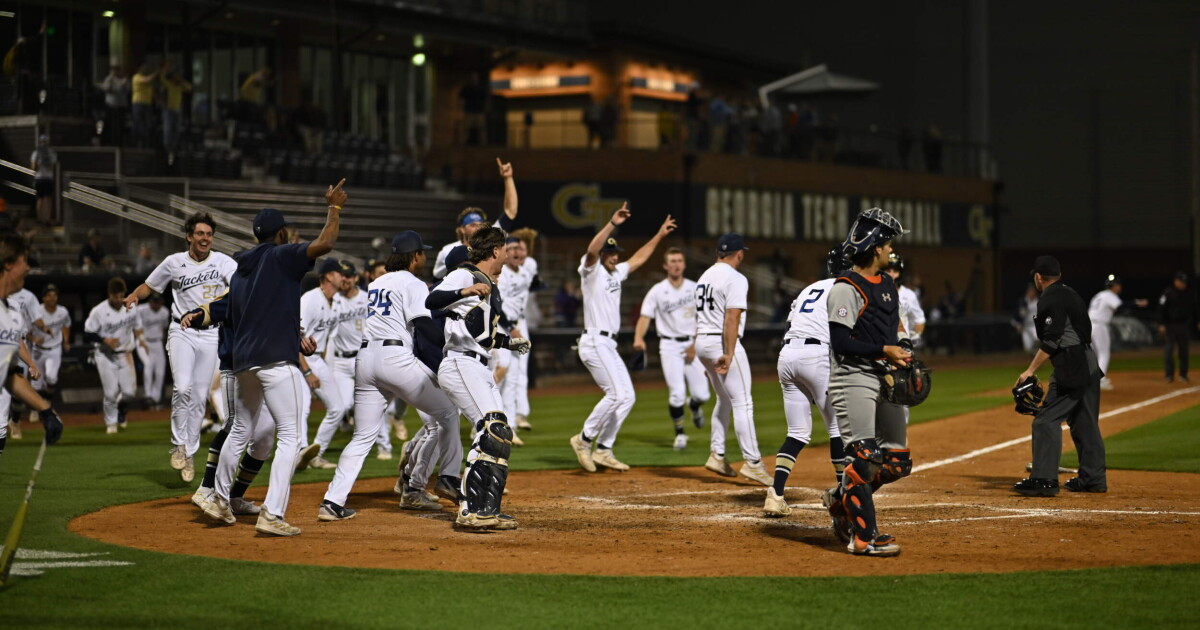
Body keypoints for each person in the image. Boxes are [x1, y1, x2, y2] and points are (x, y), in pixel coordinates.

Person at [226, 180, 347, 536]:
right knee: (291, 438)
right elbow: (325, 243)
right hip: (276, 360)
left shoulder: (241, 270)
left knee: (241, 431)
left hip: (244, 359)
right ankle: (272, 513)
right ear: (280, 234)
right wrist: (334, 208)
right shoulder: (280, 254)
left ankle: (216, 495)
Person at [322, 231, 462, 519]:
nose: (424, 257)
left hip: (366, 358)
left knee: (362, 437)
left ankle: (332, 502)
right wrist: (451, 344)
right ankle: (447, 478)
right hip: (395, 357)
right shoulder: (412, 282)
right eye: (422, 253)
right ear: (413, 257)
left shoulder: (377, 282)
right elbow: (422, 323)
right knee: (448, 413)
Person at [819, 208, 913, 557]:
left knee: (896, 462)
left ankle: (840, 496)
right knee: (866, 457)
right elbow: (842, 343)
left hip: (882, 375)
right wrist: (884, 349)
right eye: (888, 244)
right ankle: (864, 538)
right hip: (852, 376)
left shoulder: (887, 285)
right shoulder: (846, 287)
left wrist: (903, 353)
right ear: (876, 248)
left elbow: (890, 332)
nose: (891, 250)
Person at [426, 227, 532, 530]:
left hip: (479, 364)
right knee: (491, 428)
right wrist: (464, 291)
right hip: (460, 363)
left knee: (501, 433)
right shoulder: (465, 274)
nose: (509, 254)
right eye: (506, 248)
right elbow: (432, 300)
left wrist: (507, 342)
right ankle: (469, 508)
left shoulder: (489, 284)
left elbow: (478, 332)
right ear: (496, 250)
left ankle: (488, 507)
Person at [125, 212, 236, 483]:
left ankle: (189, 452)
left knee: (199, 396)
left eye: (209, 234)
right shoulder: (174, 262)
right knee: (183, 387)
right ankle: (178, 443)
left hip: (211, 334)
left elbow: (241, 286)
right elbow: (149, 286)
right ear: (189, 236)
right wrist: (133, 296)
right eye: (200, 233)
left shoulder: (223, 262)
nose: (205, 238)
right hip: (181, 331)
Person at [568, 204, 676, 473]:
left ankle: (604, 449)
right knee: (615, 393)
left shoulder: (616, 272)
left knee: (627, 396)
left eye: (615, 253)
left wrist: (660, 235)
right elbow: (592, 250)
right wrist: (612, 224)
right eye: (610, 252)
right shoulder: (592, 271)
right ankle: (583, 440)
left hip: (609, 343)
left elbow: (639, 259)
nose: (614, 257)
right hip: (594, 341)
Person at [764, 248, 850, 517]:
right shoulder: (844, 289)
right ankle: (844, 497)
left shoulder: (809, 289)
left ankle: (775, 495)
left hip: (787, 356)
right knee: (836, 429)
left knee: (797, 433)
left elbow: (794, 323)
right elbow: (843, 332)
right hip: (816, 356)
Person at [1013, 255, 1107, 496]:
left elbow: (1052, 340)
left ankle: (1044, 479)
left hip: (1072, 365)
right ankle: (1093, 479)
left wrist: (1030, 370)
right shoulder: (1069, 292)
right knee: (1085, 423)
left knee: (1045, 420)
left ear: (1038, 277)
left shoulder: (1050, 297)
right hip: (1088, 362)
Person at [693, 233, 770, 485]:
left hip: (703, 340)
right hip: (720, 341)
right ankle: (754, 462)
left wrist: (705, 355)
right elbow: (732, 317)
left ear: (718, 253)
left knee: (724, 399)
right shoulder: (736, 278)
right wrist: (728, 352)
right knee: (743, 402)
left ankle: (717, 454)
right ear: (740, 254)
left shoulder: (704, 276)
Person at [632, 247, 709, 450]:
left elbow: (706, 319)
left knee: (703, 395)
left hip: (692, 343)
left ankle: (694, 405)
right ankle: (680, 434)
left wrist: (695, 343)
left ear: (684, 264)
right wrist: (639, 338)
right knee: (676, 394)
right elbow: (645, 316)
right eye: (672, 261)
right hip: (669, 345)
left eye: (679, 260)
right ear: (665, 265)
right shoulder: (657, 290)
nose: (676, 264)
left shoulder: (695, 288)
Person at [0, 233, 64, 455]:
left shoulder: (14, 314)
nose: (28, 268)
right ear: (8, 264)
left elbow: (8, 374)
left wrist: (44, 409)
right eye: (24, 261)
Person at [296, 258, 348, 470]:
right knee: (302, 409)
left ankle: (315, 454)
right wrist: (307, 371)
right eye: (339, 273)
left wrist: (323, 368)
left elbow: (326, 341)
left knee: (338, 407)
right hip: (300, 357)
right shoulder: (310, 299)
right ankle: (300, 452)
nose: (343, 277)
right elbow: (294, 337)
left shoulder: (335, 302)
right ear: (328, 276)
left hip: (318, 358)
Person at [432, 158, 518, 279]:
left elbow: (510, 211)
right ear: (462, 229)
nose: (477, 228)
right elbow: (437, 279)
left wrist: (508, 178)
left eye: (480, 224)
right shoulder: (448, 251)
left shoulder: (490, 240)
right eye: (472, 225)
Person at [84, 277, 147, 434]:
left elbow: (138, 326)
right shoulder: (99, 311)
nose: (119, 299)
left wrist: (142, 340)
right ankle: (111, 423)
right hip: (105, 354)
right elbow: (88, 333)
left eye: (121, 295)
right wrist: (105, 340)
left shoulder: (131, 306)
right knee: (111, 392)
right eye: (116, 296)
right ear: (109, 294)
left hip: (125, 353)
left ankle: (121, 410)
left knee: (129, 393)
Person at [497, 236, 541, 438]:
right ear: (505, 252)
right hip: (500, 326)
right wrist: (511, 327)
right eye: (511, 248)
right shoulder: (502, 274)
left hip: (515, 324)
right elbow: (497, 304)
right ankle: (480, 417)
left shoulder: (524, 273)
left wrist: (517, 326)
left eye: (518, 248)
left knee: (513, 377)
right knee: (500, 373)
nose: (515, 252)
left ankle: (510, 425)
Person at [1088, 274, 1148, 391]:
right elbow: (1121, 306)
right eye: (1118, 285)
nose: (1119, 287)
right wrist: (1137, 303)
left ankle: (1092, 378)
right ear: (1114, 286)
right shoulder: (1110, 295)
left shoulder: (1099, 295)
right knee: (1104, 353)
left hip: (1089, 325)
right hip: (1099, 325)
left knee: (1094, 354)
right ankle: (1100, 380)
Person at [29, 284, 70, 404]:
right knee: (36, 383)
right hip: (38, 350)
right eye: (49, 295)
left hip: (55, 349)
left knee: (52, 378)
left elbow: (66, 325)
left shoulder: (63, 311)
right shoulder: (36, 312)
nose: (52, 298)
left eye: (55, 295)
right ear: (43, 298)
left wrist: (66, 340)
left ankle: (47, 401)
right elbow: (24, 332)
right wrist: (34, 340)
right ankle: (37, 407)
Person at [1159, 271, 1199, 384]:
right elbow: (1161, 309)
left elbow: (1195, 308)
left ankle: (1183, 375)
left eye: (1184, 282)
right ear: (1175, 281)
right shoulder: (1168, 293)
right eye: (1181, 281)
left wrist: (1197, 321)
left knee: (1184, 351)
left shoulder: (1190, 293)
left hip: (1184, 325)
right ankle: (1169, 375)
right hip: (1170, 325)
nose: (1183, 284)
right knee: (1169, 351)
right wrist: (1161, 323)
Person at [884, 253, 926, 348]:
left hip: (901, 346)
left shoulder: (909, 295)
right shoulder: (875, 291)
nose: (891, 274)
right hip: (880, 346)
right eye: (888, 270)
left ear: (900, 274)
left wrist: (913, 342)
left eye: (895, 271)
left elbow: (919, 319)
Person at [136, 292, 170, 407]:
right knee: (148, 365)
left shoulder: (164, 311)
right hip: (143, 342)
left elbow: (165, 328)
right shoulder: (141, 309)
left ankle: (155, 399)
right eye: (154, 302)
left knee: (160, 371)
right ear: (150, 301)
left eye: (158, 302)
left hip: (157, 342)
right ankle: (148, 395)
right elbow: (134, 325)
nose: (156, 304)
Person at [160, 62, 192, 156]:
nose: (176, 77)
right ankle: (167, 149)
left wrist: (181, 81)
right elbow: (162, 78)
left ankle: (174, 149)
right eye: (175, 76)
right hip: (168, 110)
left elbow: (189, 88)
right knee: (168, 130)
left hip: (177, 110)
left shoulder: (180, 86)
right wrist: (165, 68)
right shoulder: (169, 84)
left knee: (176, 130)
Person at [98, 65, 130, 147]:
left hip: (121, 106)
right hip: (111, 106)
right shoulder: (109, 79)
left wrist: (124, 84)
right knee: (108, 124)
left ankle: (119, 142)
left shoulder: (124, 79)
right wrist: (112, 80)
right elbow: (106, 88)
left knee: (120, 125)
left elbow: (127, 90)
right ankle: (105, 141)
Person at [131, 63, 159, 148]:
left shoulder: (147, 80)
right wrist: (157, 73)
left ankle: (145, 144)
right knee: (138, 123)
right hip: (138, 103)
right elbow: (146, 80)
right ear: (139, 68)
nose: (145, 69)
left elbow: (151, 91)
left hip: (147, 104)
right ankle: (135, 143)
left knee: (147, 124)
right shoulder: (136, 77)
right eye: (143, 67)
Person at [30, 134, 56, 223]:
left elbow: (33, 167)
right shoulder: (51, 152)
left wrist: (39, 164)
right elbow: (52, 166)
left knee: (40, 199)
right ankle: (47, 219)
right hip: (48, 178)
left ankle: (39, 218)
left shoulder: (36, 153)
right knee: (48, 200)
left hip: (39, 178)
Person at [1014, 284, 1039, 353]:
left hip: (1035, 325)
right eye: (1029, 291)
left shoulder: (1039, 301)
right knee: (1028, 348)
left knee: (1037, 339)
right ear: (1027, 292)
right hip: (1025, 326)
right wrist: (1018, 325)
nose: (1031, 293)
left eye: (1032, 291)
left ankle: (1037, 355)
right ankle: (1033, 357)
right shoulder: (1022, 301)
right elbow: (1017, 316)